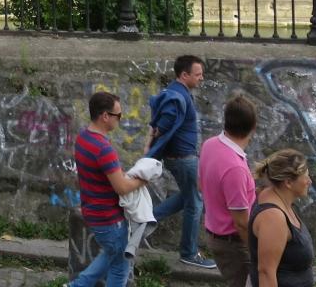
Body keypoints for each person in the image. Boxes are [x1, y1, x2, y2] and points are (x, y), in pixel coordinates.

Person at [70, 90, 148, 287]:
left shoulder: (83, 138)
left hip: (93, 213)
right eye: (118, 115)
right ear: (105, 116)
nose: (120, 119)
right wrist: (143, 180)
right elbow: (121, 187)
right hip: (109, 219)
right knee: (119, 267)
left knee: (111, 254)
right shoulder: (104, 149)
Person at [148, 54, 215, 269]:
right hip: (183, 159)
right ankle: (189, 253)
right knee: (195, 203)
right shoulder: (177, 96)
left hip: (181, 158)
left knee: (189, 196)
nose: (201, 78)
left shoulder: (176, 92)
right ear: (184, 75)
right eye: (198, 74)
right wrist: (156, 135)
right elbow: (161, 126)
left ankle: (144, 220)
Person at [199, 94, 259, 287]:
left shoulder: (210, 145)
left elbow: (201, 183)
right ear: (253, 127)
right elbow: (241, 223)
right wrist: (257, 252)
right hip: (234, 244)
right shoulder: (235, 169)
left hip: (215, 233)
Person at [249, 149, 315, 287]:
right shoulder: (273, 217)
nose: (309, 181)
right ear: (288, 182)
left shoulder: (277, 198)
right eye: (305, 176)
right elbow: (266, 273)